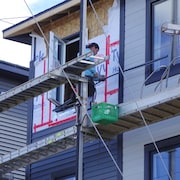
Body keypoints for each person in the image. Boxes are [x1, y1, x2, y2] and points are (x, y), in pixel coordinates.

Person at [84, 42, 105, 109]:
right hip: (87, 78)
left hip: (83, 77)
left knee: (84, 94)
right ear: (93, 47)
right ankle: (90, 107)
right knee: (92, 92)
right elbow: (89, 64)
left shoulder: (82, 52)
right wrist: (96, 74)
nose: (96, 53)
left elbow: (89, 72)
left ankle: (85, 106)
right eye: (96, 51)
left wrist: (98, 78)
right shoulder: (89, 52)